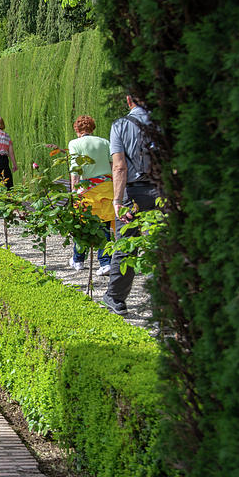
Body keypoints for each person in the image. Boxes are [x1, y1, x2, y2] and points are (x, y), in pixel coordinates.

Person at [103, 96, 160, 315]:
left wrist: (117, 200)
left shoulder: (120, 125)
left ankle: (116, 299)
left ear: (128, 99)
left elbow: (119, 167)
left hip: (132, 193)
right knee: (160, 243)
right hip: (160, 191)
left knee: (126, 245)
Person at [66, 115, 113, 274]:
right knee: (104, 226)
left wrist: (73, 191)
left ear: (77, 129)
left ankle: (78, 260)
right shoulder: (105, 142)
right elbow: (113, 165)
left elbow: (75, 169)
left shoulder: (74, 143)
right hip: (106, 188)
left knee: (82, 225)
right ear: (92, 128)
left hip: (86, 189)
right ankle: (105, 263)